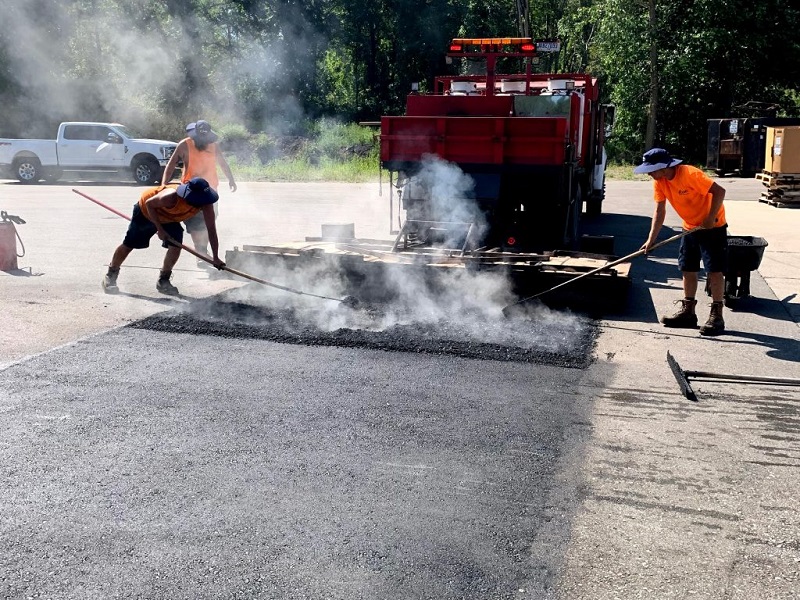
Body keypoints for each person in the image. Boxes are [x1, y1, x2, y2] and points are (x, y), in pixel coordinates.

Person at [634, 148, 728, 336]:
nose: (649, 174)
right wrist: (650, 240)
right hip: (690, 227)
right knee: (688, 268)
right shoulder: (660, 182)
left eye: (652, 169)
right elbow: (660, 211)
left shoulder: (690, 174)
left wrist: (710, 218)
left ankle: (717, 316)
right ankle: (688, 313)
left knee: (714, 271)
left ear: (664, 166)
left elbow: (720, 191)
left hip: (713, 226)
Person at [102, 177, 224, 296]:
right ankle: (110, 275)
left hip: (170, 218)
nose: (201, 204)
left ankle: (163, 280)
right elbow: (150, 204)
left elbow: (211, 230)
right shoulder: (171, 196)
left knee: (176, 246)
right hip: (147, 212)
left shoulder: (206, 204)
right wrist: (160, 230)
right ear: (190, 197)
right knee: (130, 244)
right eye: (199, 200)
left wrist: (215, 257)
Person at [161, 120, 237, 267]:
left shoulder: (214, 146)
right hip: (191, 193)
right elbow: (171, 164)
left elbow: (222, 163)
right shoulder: (184, 145)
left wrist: (231, 179)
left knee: (209, 223)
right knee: (196, 224)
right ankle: (201, 253)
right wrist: (164, 184)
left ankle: (202, 251)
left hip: (210, 191)